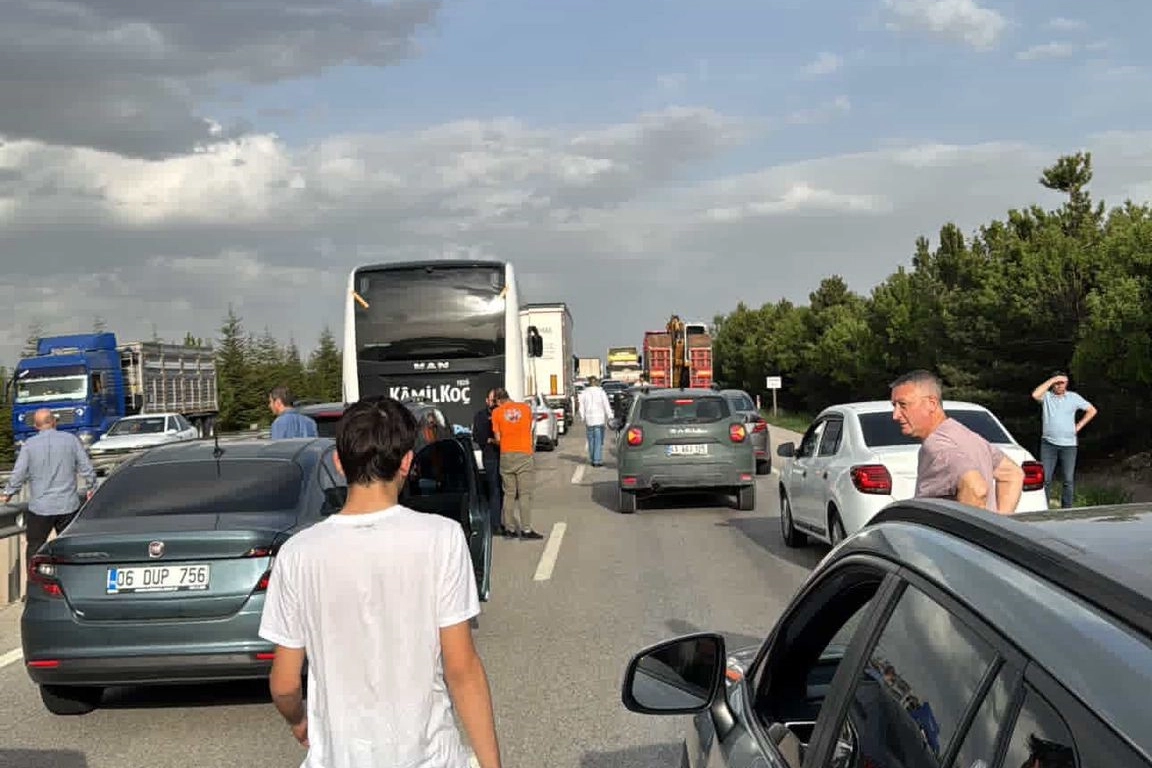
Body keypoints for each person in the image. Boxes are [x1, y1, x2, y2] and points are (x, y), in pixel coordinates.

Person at [258, 395, 502, 768]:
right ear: (406, 462)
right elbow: (462, 669)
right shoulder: (442, 538)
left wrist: (298, 720)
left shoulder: (297, 554)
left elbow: (285, 684)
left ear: (339, 464)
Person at [890, 370, 1024, 514]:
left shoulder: (937, 447)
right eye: (894, 406)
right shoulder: (967, 436)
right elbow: (1012, 474)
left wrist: (969, 527)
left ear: (932, 403)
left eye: (903, 405)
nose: (895, 415)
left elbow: (976, 488)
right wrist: (998, 521)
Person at [2, 408, 97, 567]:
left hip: (40, 507)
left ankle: (34, 578)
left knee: (35, 548)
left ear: (35, 426)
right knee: (69, 548)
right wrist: (92, 488)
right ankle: (69, 577)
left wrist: (8, 492)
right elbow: (86, 468)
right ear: (54, 422)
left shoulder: (29, 445)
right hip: (68, 505)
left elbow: (19, 473)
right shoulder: (71, 440)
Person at [1031, 371, 1097, 509]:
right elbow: (1035, 394)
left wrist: (1078, 426)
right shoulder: (1047, 397)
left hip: (1069, 445)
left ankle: (1067, 510)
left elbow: (1092, 410)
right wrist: (1052, 379)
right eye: (1057, 383)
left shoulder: (1073, 397)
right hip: (1048, 444)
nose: (1060, 386)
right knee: (1046, 479)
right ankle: (1044, 508)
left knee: (1068, 479)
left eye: (1063, 383)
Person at [490, 389, 543, 540]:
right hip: (524, 453)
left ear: (499, 401)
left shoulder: (496, 413)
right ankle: (526, 529)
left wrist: (493, 441)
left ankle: (509, 529)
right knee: (524, 494)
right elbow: (529, 429)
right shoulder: (525, 409)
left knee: (509, 493)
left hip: (506, 454)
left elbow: (498, 438)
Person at [471, 389, 505, 535]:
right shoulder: (480, 416)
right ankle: (494, 524)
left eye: (496, 400)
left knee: (503, 490)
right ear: (487, 401)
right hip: (490, 456)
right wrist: (490, 440)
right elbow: (477, 436)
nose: (494, 403)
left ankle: (500, 521)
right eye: (492, 400)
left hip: (504, 455)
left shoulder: (502, 414)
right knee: (494, 489)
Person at [577, 377, 613, 467]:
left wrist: (582, 417)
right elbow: (606, 405)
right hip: (599, 419)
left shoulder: (584, 393)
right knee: (598, 440)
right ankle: (597, 460)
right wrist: (610, 416)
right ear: (596, 382)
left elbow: (581, 406)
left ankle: (593, 458)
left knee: (591, 440)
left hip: (589, 420)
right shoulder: (601, 392)